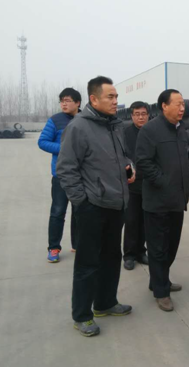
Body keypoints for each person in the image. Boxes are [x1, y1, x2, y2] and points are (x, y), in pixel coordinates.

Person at [56, 76, 135, 337]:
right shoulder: (79, 127)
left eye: (116, 96)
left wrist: (129, 168)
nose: (115, 101)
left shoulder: (115, 125)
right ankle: (82, 315)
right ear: (93, 99)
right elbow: (66, 169)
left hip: (116, 204)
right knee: (88, 263)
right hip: (93, 207)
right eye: (110, 97)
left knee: (112, 258)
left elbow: (122, 157)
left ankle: (105, 303)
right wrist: (82, 202)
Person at [135, 89, 189, 312]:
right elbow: (143, 162)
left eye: (183, 104)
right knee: (158, 248)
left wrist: (188, 178)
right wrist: (164, 182)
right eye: (178, 104)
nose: (182, 108)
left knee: (172, 245)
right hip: (157, 201)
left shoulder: (180, 129)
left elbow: (183, 159)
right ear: (164, 106)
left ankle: (159, 280)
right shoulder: (150, 130)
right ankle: (161, 292)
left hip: (177, 199)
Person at [38, 87, 81, 263]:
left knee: (80, 212)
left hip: (81, 175)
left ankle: (78, 244)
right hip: (61, 175)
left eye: (67, 100)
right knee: (57, 212)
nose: (64, 104)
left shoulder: (86, 119)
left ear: (78, 103)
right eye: (62, 101)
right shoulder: (55, 120)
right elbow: (43, 142)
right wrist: (64, 148)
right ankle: (54, 247)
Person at [122, 101, 150, 271]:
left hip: (149, 184)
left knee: (145, 220)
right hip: (131, 185)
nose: (141, 117)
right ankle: (129, 255)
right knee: (131, 220)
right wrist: (128, 175)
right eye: (137, 114)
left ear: (148, 115)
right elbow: (122, 157)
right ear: (132, 116)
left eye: (143, 114)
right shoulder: (125, 134)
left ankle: (141, 251)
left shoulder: (152, 132)